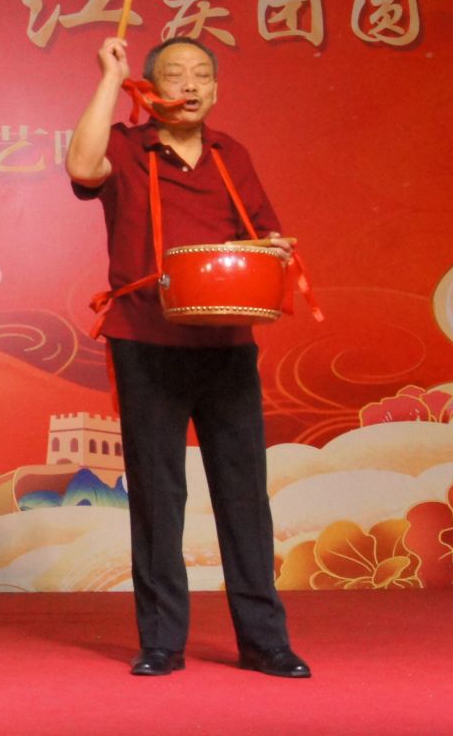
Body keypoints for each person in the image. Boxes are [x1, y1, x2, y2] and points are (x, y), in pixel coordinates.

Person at [64, 34, 310, 679]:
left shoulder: (231, 154)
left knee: (244, 493)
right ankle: (161, 642)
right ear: (149, 89)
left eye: (202, 74)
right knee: (158, 494)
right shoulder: (126, 146)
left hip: (227, 343)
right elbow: (82, 167)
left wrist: (276, 250)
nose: (190, 85)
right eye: (175, 74)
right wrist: (109, 78)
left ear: (216, 89)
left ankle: (264, 641)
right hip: (147, 339)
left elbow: (262, 234)